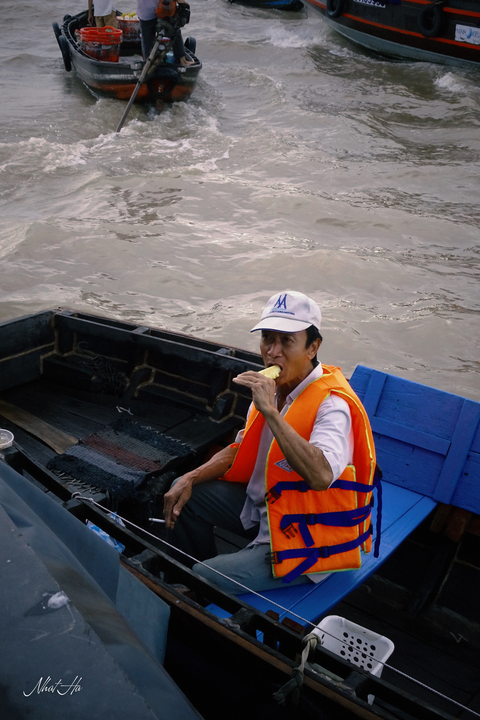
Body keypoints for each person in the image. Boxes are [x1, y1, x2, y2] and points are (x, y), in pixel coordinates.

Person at [164, 291, 376, 595]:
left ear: (312, 347)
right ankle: (198, 586)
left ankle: (204, 585)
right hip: (265, 508)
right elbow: (240, 448)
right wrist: (191, 476)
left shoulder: (332, 405)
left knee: (203, 575)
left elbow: (322, 476)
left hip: (308, 535)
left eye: (287, 341)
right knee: (186, 495)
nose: (273, 352)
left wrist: (271, 413)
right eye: (267, 338)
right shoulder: (272, 389)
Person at [137, 0, 194, 66]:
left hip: (146, 12)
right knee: (174, 31)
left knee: (147, 40)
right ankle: (182, 60)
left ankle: (148, 62)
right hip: (163, 9)